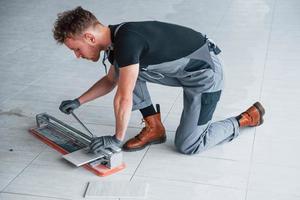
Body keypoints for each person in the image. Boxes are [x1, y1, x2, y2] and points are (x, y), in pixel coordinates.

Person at [54, 7, 265, 155]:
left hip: (205, 76)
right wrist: (79, 101)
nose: (77, 55)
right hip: (182, 71)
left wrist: (117, 139)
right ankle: (155, 128)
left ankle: (245, 119)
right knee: (123, 70)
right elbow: (111, 80)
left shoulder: (128, 41)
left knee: (189, 145)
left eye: (76, 49)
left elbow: (123, 98)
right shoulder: (116, 42)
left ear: (90, 38)